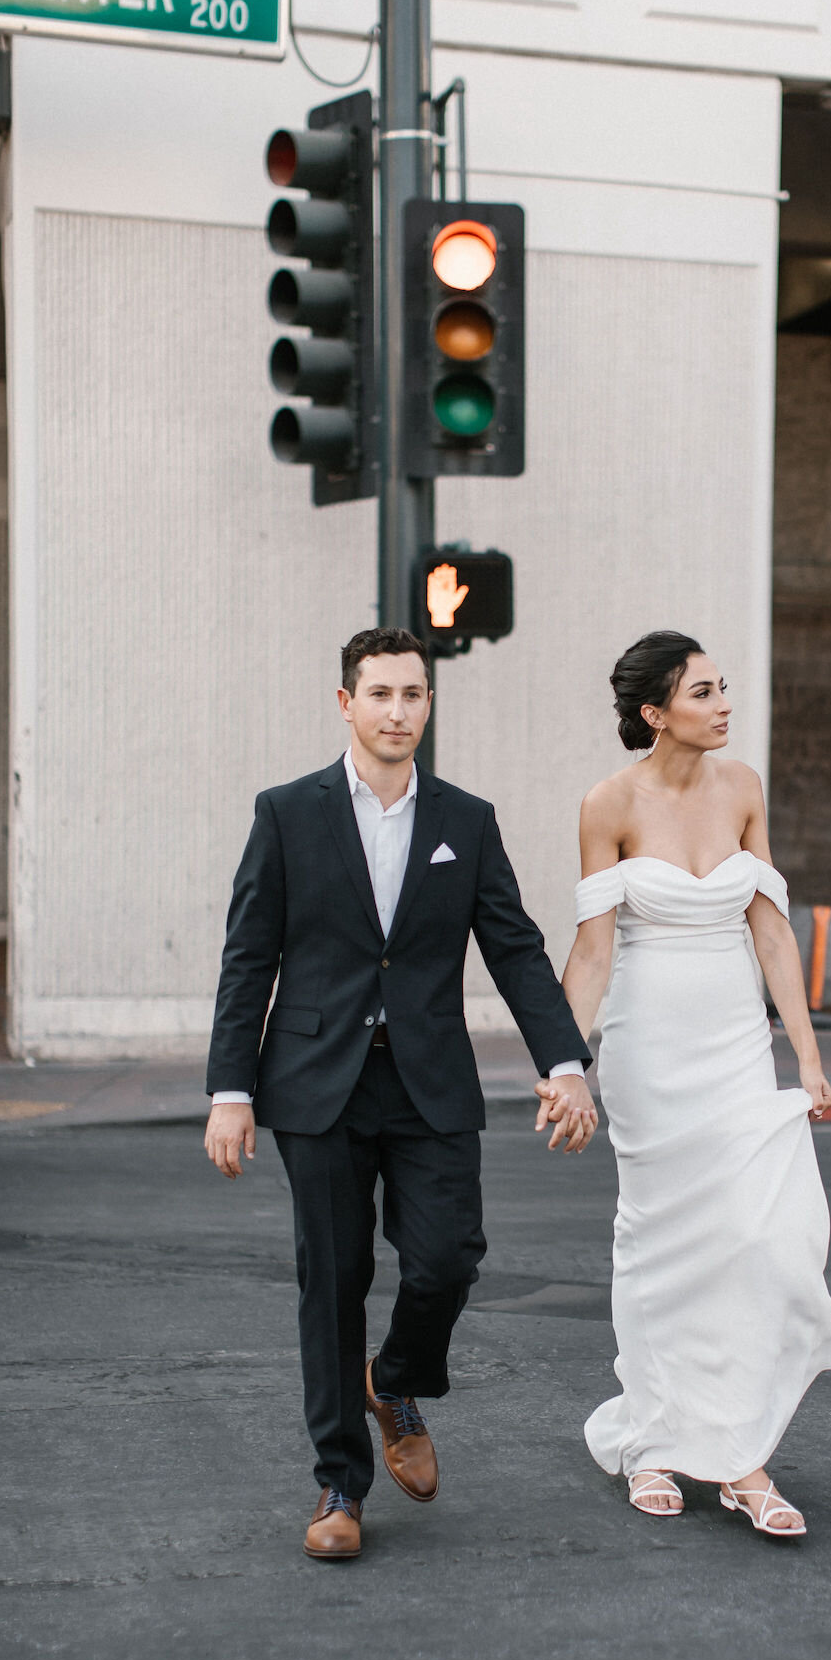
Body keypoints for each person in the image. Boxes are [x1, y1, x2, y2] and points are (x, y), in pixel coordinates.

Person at [204, 627, 596, 1562]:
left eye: (413, 695)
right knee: (332, 1282)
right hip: (315, 1085)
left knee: (448, 1258)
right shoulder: (287, 813)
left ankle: (398, 1375)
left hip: (428, 1081)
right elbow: (248, 958)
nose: (397, 711)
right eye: (379, 694)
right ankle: (340, 1486)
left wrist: (567, 1062)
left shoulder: (466, 819)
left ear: (428, 703)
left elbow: (514, 947)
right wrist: (230, 1088)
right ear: (346, 703)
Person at [540, 630, 831, 1535]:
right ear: (654, 712)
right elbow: (593, 951)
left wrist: (808, 1056)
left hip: (737, 1043)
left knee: (761, 1236)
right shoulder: (608, 803)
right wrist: (565, 1065)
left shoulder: (743, 786)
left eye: (722, 689)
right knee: (663, 1245)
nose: (723, 704)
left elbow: (774, 931)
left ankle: (741, 1447)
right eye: (704, 692)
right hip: (649, 1047)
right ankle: (659, 1443)